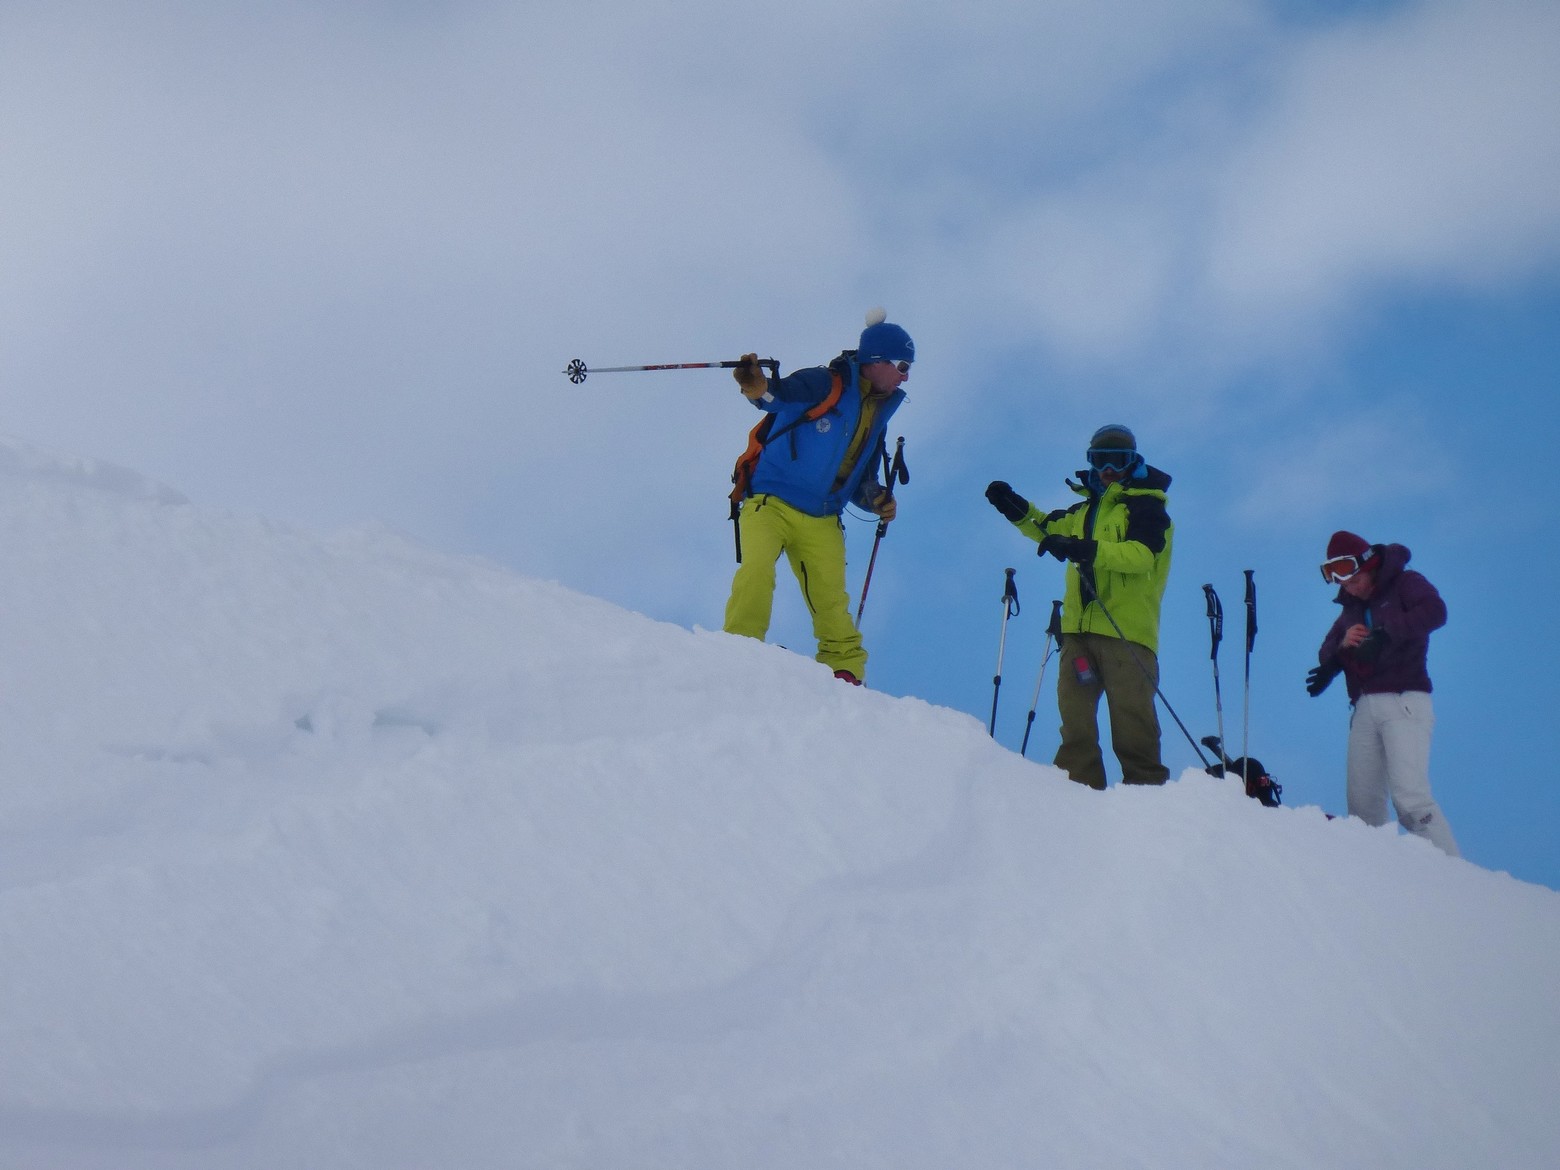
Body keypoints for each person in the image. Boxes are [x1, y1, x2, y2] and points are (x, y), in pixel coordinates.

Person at [721, 312, 911, 685]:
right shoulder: (824, 382)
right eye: (902, 365)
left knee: (831, 601)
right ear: (877, 361)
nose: (906, 375)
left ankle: (846, 671)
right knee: (756, 571)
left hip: (823, 518)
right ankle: (738, 650)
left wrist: (875, 499)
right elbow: (777, 397)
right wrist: (756, 387)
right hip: (769, 504)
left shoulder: (876, 414)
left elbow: (860, 478)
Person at [984, 424, 1173, 789]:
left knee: (1132, 722)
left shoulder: (1147, 509)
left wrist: (1086, 549)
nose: (1108, 471)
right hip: (1079, 636)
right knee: (1075, 717)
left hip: (1127, 635)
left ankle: (1148, 794)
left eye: (1118, 462)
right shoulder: (1082, 513)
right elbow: (1046, 527)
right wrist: (1014, 507)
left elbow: (1141, 556)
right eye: (1100, 461)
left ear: (1133, 464)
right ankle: (1076, 791)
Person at [1308, 530, 1459, 857]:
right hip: (1364, 708)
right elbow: (1326, 650)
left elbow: (1435, 612)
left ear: (1368, 563)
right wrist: (1342, 648)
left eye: (1348, 574)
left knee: (1410, 799)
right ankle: (1377, 879)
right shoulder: (1349, 608)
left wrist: (1385, 634)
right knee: (1362, 807)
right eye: (1335, 577)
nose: (1344, 584)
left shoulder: (1404, 583)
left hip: (1404, 699)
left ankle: (1456, 878)